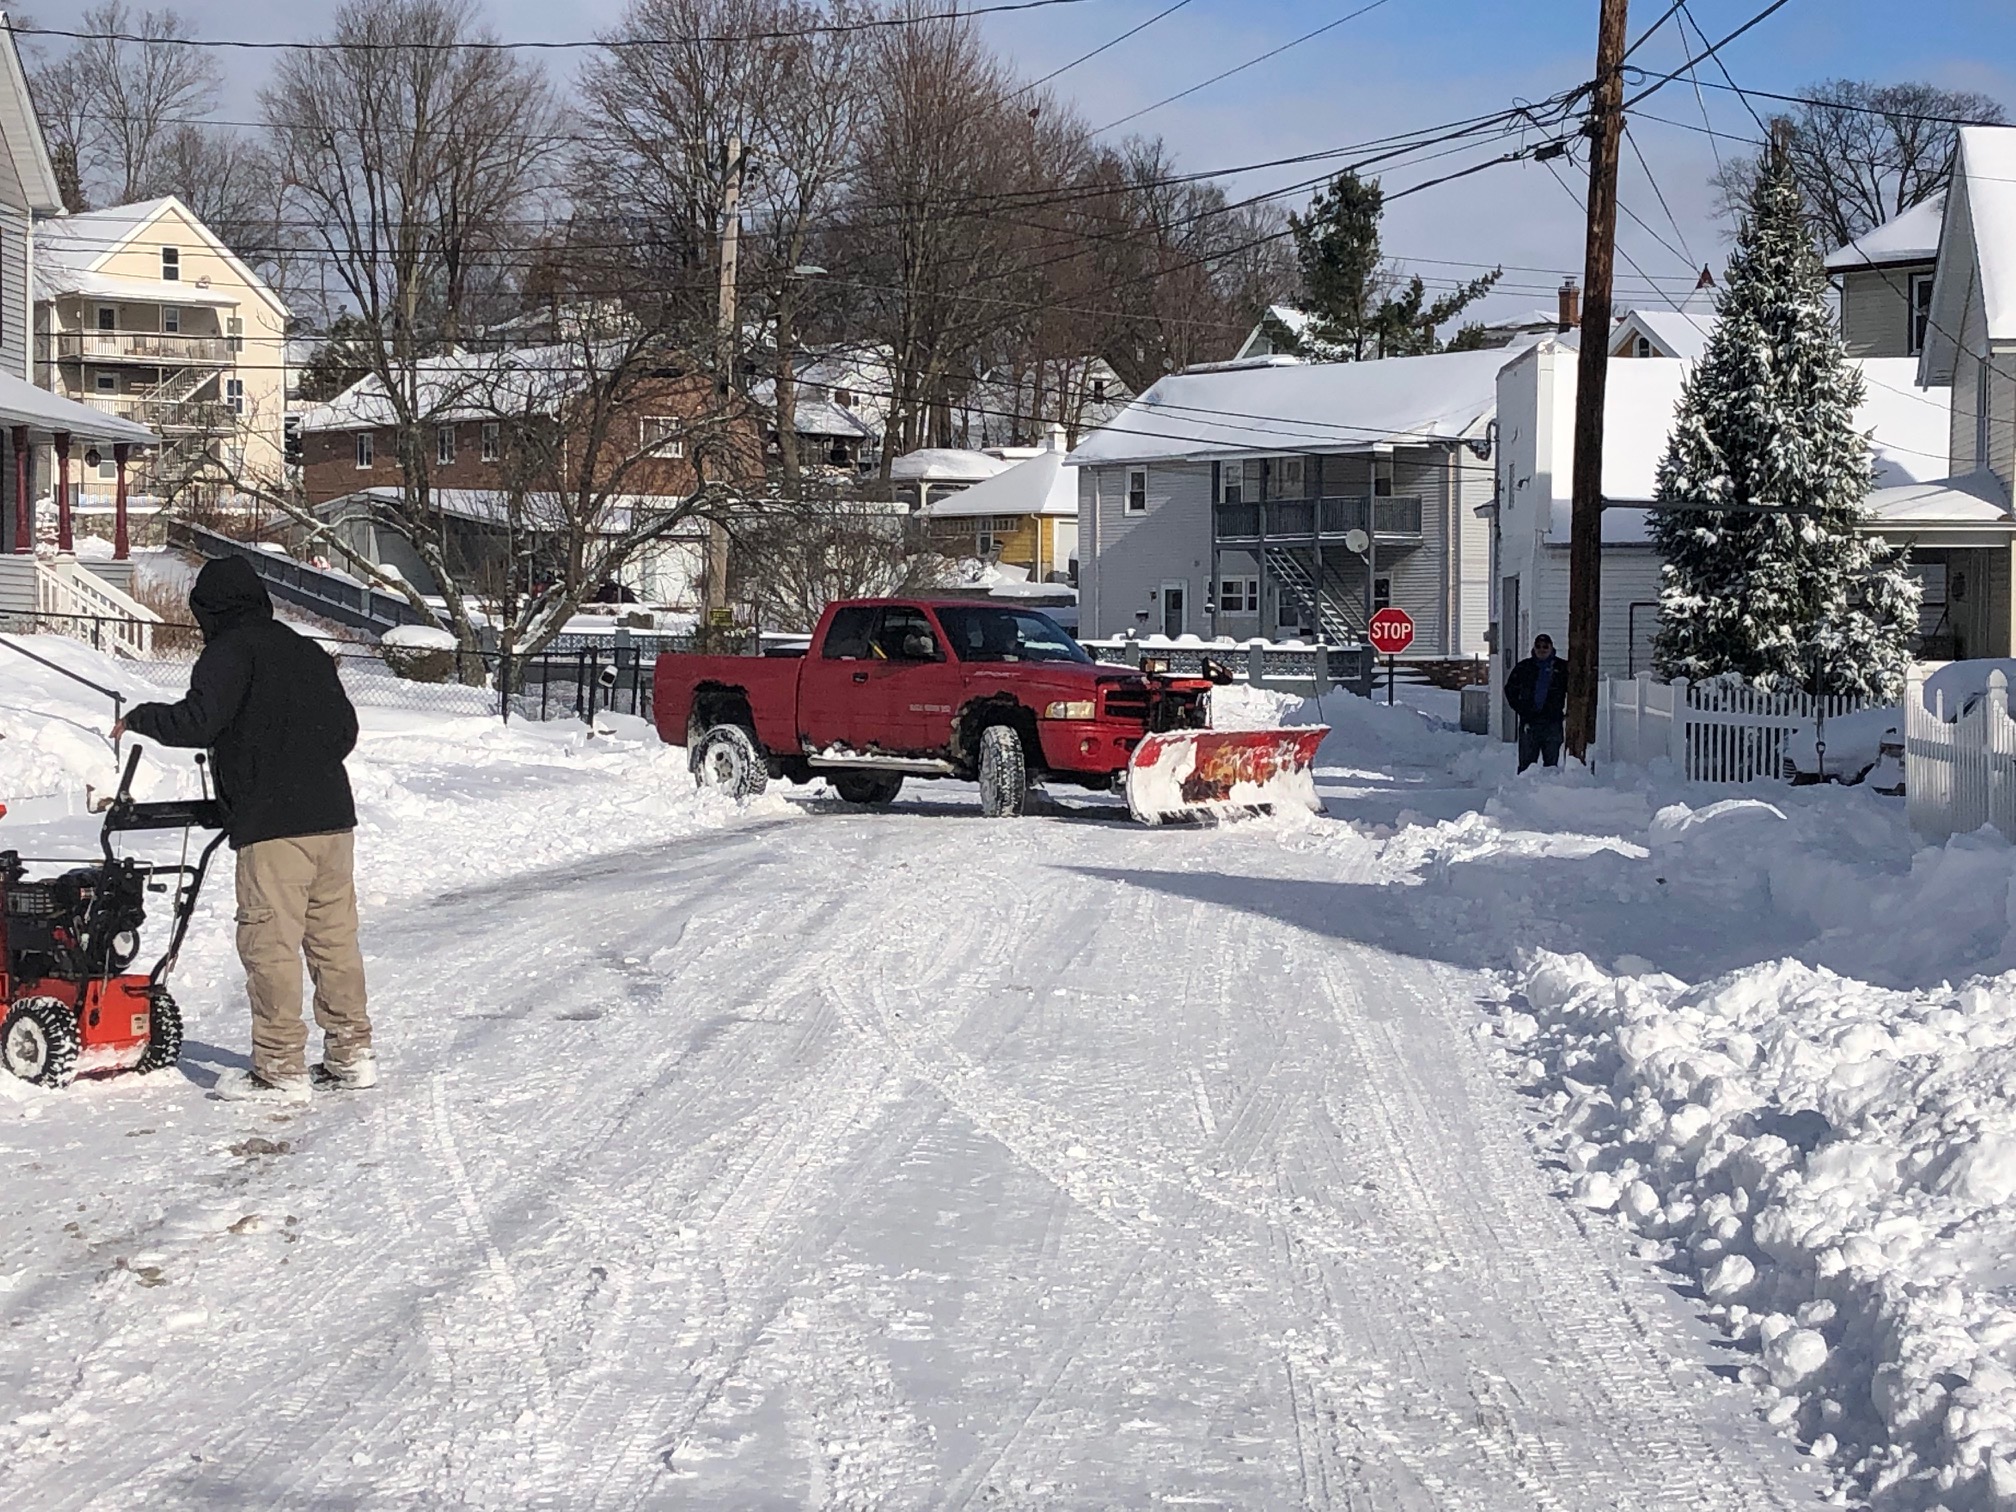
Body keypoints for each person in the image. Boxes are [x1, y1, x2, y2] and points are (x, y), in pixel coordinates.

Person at [115, 557, 373, 1104]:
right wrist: (304, 763)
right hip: (333, 820)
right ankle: (351, 1054)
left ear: (209, 610)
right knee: (333, 941)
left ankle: (279, 1066)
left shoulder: (228, 651)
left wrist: (141, 718)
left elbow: (199, 721)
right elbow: (345, 730)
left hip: (273, 829)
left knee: (270, 944)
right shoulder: (305, 650)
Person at [1504, 633, 1569, 772]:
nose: (1542, 649)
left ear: (1551, 648)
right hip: (1530, 722)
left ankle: (1549, 792)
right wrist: (1521, 708)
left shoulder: (1562, 668)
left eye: (1545, 646)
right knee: (1526, 766)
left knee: (1551, 765)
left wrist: (1566, 712)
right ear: (1534, 648)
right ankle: (1523, 791)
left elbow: (1575, 690)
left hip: (1552, 723)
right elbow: (1510, 689)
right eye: (1538, 646)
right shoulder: (1524, 667)